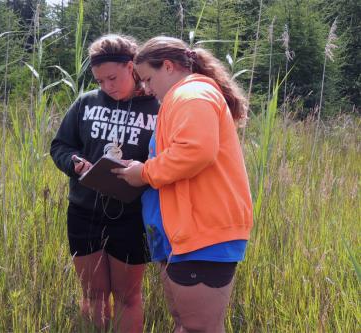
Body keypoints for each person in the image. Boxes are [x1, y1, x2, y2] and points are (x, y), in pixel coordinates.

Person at [113, 36, 253, 332]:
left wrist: (145, 173)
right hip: (186, 233)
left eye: (149, 79)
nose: (148, 89)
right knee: (186, 325)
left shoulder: (191, 94)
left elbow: (196, 151)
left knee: (198, 328)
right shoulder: (185, 96)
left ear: (168, 66)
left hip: (204, 233)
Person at [50, 34, 160, 332]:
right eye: (100, 81)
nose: (107, 86)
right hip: (85, 211)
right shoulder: (86, 103)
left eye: (112, 77)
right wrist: (73, 163)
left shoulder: (157, 106)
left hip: (132, 215)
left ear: (131, 67)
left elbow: (170, 160)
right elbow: (60, 145)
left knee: (128, 297)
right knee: (93, 295)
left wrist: (143, 170)